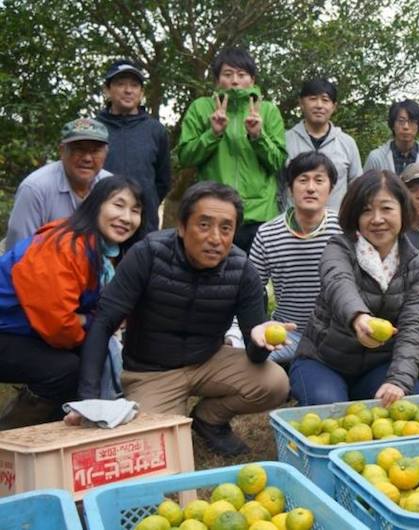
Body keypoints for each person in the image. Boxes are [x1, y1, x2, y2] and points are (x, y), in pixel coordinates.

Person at [76, 182, 290, 456]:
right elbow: (104, 321)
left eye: (226, 228)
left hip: (209, 360)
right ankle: (169, 417)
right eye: (204, 225)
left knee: (275, 382)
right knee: (154, 450)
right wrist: (87, 399)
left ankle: (209, 419)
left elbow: (255, 354)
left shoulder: (242, 271)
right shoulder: (148, 255)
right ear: (181, 226)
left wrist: (261, 341)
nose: (215, 238)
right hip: (151, 372)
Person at [0, 175, 146, 429]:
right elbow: (59, 325)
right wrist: (92, 323)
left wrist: (90, 323)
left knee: (89, 353)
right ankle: (11, 437)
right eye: (118, 205)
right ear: (96, 204)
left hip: (25, 331)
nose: (127, 217)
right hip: (8, 329)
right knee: (66, 369)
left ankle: (70, 425)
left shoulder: (104, 252)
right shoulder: (64, 245)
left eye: (135, 210)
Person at [289, 170, 419, 406]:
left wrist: (399, 380)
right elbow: (338, 283)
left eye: (386, 208)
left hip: (377, 367)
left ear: (403, 211)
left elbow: (413, 325)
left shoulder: (414, 262)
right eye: (366, 210)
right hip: (323, 361)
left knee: (408, 402)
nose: (376, 219)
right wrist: (359, 318)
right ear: (355, 216)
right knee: (329, 408)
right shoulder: (339, 247)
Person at [177, 47, 287, 254]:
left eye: (242, 74)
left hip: (259, 215)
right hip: (213, 212)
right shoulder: (201, 108)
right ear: (218, 80)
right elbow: (185, 156)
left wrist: (258, 136)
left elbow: (278, 162)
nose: (235, 81)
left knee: (255, 281)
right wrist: (213, 133)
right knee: (212, 277)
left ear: (252, 80)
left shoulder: (268, 111)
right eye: (228, 74)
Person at [248, 151, 342, 364]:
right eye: (302, 180)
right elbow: (250, 289)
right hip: (287, 333)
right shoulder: (268, 233)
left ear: (331, 189)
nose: (311, 188)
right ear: (290, 189)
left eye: (319, 180)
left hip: (336, 335)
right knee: (250, 357)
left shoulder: (345, 229)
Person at [5, 118, 112, 248]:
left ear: (105, 154)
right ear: (62, 151)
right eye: (79, 149)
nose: (87, 158)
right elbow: (17, 252)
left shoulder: (110, 186)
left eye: (95, 151)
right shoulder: (35, 188)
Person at [96, 59, 171, 233]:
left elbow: (163, 181)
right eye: (121, 84)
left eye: (134, 85)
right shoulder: (94, 130)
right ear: (107, 90)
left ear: (141, 92)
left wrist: (144, 203)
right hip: (99, 224)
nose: (128, 90)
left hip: (144, 227)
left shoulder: (156, 130)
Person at [285, 78, 362, 210]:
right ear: (301, 103)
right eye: (313, 99)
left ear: (333, 107)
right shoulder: (285, 140)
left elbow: (357, 187)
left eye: (325, 100)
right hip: (293, 224)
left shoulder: (347, 143)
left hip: (336, 225)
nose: (319, 105)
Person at [364, 99, 419, 174]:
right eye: (401, 121)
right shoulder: (376, 158)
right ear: (393, 125)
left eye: (412, 121)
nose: (406, 127)